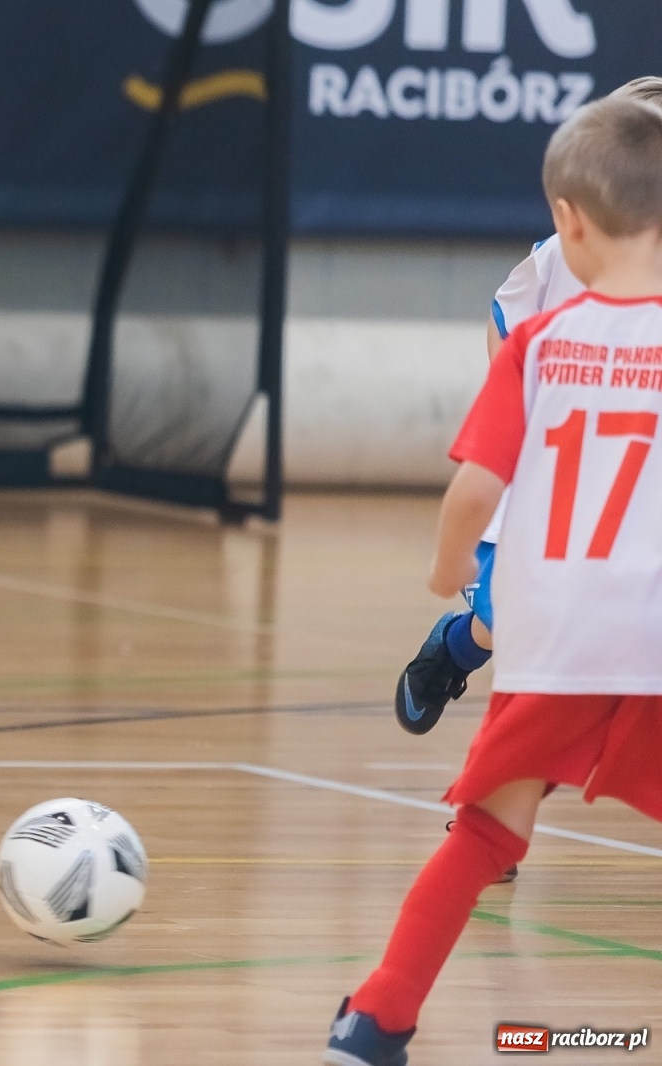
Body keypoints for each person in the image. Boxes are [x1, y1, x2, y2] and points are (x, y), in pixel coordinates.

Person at [327, 95, 662, 1065]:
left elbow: (476, 487)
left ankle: (375, 1021)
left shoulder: (539, 344)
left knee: (481, 836)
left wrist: (442, 573)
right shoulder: (555, 305)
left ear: (569, 217)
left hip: (553, 633)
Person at [395, 74, 662, 742]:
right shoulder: (571, 253)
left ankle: (500, 818)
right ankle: (458, 649)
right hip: (558, 479)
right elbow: (503, 320)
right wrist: (528, 406)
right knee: (505, 625)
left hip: (640, 489)